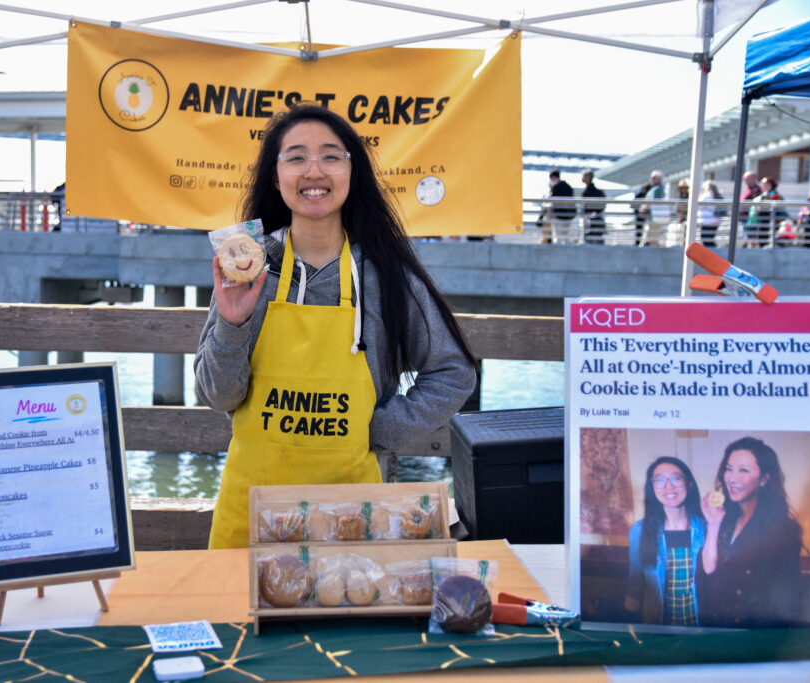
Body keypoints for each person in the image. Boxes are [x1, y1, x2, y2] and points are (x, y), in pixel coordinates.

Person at [194, 103, 478, 549]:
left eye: (331, 156)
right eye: (295, 157)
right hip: (251, 512)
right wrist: (232, 323)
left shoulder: (385, 275)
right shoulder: (249, 264)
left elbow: (454, 371)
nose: (314, 170)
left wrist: (379, 429)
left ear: (352, 172)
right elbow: (216, 395)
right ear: (275, 176)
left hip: (353, 514)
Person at [696, 437, 804, 628]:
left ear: (764, 478)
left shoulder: (783, 529)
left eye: (743, 470)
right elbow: (709, 569)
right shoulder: (724, 518)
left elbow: (787, 597)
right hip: (717, 627)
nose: (732, 478)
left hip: (755, 632)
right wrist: (713, 524)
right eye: (729, 469)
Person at [624, 457, 706, 626]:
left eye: (676, 478)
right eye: (660, 480)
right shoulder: (639, 531)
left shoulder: (707, 527)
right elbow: (636, 580)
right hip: (657, 623)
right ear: (652, 487)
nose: (669, 486)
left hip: (702, 623)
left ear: (689, 484)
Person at [746, 176, 787, 248]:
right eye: (763, 184)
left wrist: (761, 208)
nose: (764, 185)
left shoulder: (774, 195)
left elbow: (775, 207)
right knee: (762, 241)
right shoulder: (763, 195)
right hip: (761, 221)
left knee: (768, 241)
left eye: (766, 184)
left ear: (771, 185)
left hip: (771, 222)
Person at [536, 170, 576, 244]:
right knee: (566, 236)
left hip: (558, 215)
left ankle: (559, 253)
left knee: (558, 237)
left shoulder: (556, 187)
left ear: (553, 177)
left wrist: (551, 189)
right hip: (569, 215)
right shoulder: (568, 187)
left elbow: (549, 201)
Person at [638, 170, 667, 246]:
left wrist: (644, 208)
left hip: (655, 218)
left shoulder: (658, 188)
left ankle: (656, 254)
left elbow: (653, 201)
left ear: (659, 179)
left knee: (653, 238)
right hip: (652, 217)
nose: (651, 179)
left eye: (654, 177)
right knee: (650, 237)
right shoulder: (655, 188)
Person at [697, 179, 724, 248]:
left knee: (706, 240)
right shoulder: (717, 196)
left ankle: (713, 253)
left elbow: (699, 204)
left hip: (707, 221)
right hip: (715, 220)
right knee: (710, 239)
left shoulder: (706, 196)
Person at [581, 170, 606, 245]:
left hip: (590, 221)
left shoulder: (586, 192)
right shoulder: (600, 192)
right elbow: (603, 206)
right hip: (599, 220)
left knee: (589, 243)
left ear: (587, 178)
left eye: (583, 176)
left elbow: (585, 208)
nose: (582, 178)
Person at [739, 171, 762, 247]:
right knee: (748, 236)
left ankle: (751, 250)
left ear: (753, 179)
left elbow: (756, 203)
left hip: (751, 218)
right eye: (744, 178)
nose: (744, 180)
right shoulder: (749, 189)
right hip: (745, 218)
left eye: (746, 178)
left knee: (751, 237)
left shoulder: (756, 189)